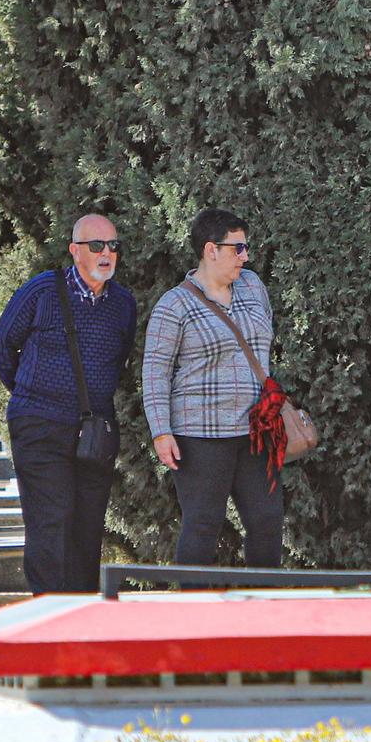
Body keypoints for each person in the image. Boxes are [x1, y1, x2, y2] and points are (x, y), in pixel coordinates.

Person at [0, 213, 137, 593]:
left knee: (88, 524)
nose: (107, 253)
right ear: (75, 250)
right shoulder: (43, 291)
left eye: (113, 246)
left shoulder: (122, 304)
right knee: (50, 520)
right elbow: (2, 345)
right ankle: (50, 616)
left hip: (94, 430)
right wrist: (31, 394)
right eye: (96, 246)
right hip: (40, 423)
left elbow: (119, 360)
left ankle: (81, 616)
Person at [142, 207, 285, 567]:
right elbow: (155, 372)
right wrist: (161, 432)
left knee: (267, 522)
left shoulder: (252, 286)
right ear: (210, 250)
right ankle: (194, 618)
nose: (245, 256)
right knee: (203, 525)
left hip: (256, 430)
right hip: (201, 436)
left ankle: (262, 613)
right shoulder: (173, 305)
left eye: (245, 247)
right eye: (237, 248)